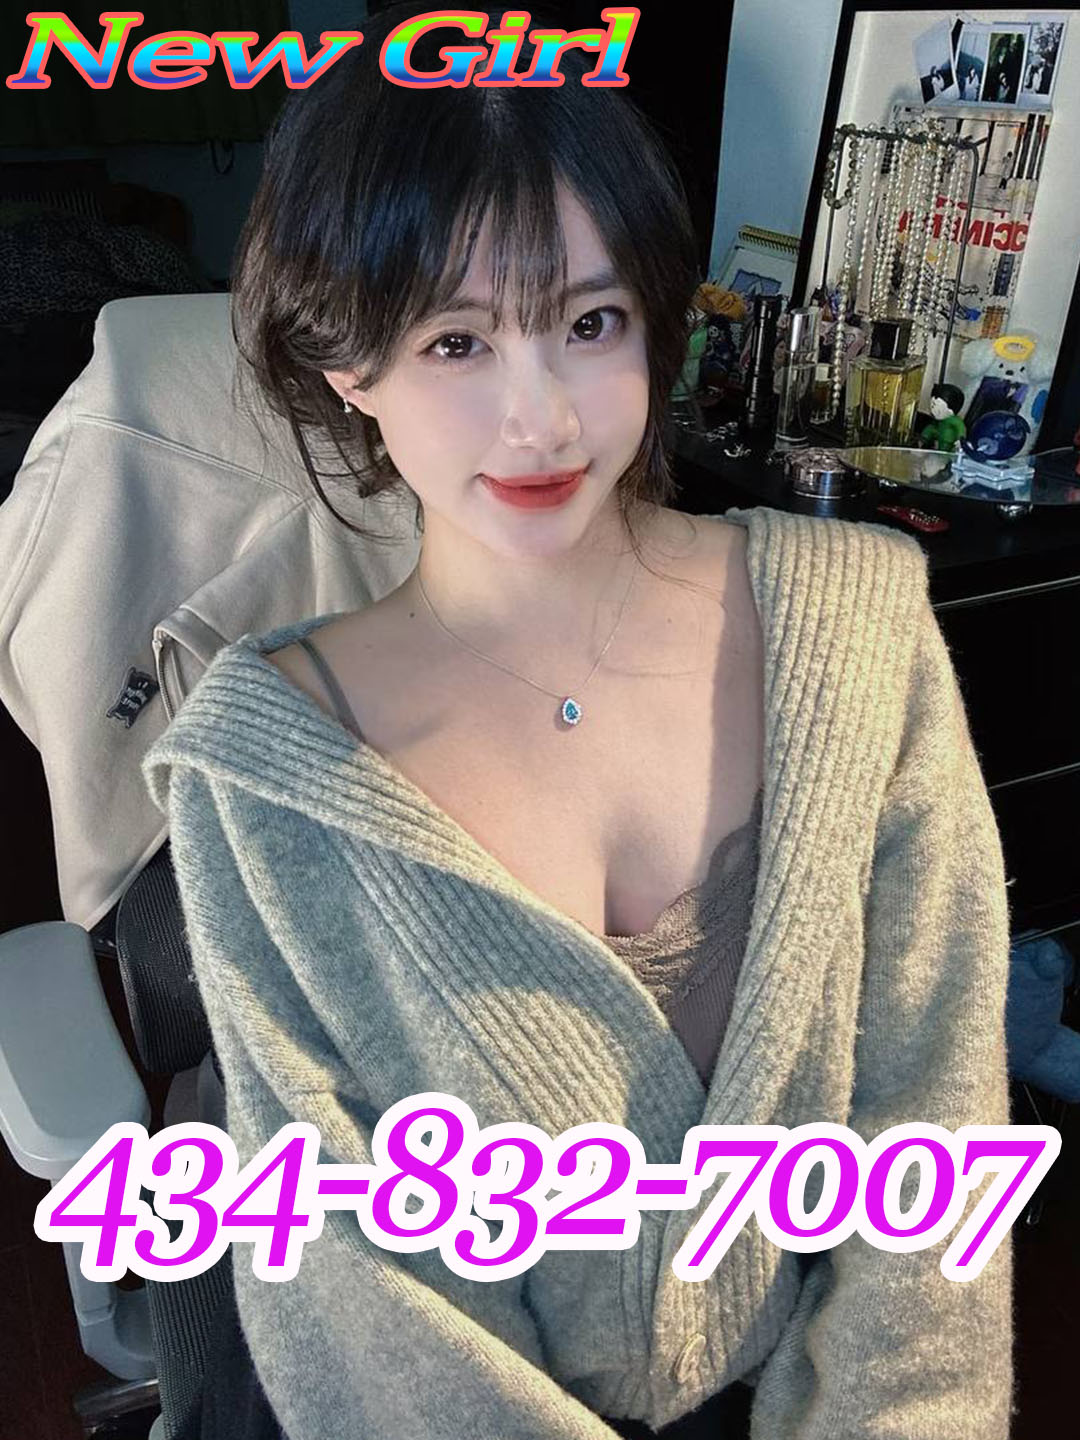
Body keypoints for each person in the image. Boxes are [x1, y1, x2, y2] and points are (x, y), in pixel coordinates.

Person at [142, 3, 1014, 1437]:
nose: (540, 418)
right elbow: (357, 1300)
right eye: (456, 342)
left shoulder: (859, 634)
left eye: (590, 323)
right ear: (348, 365)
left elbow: (936, 1118)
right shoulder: (266, 770)